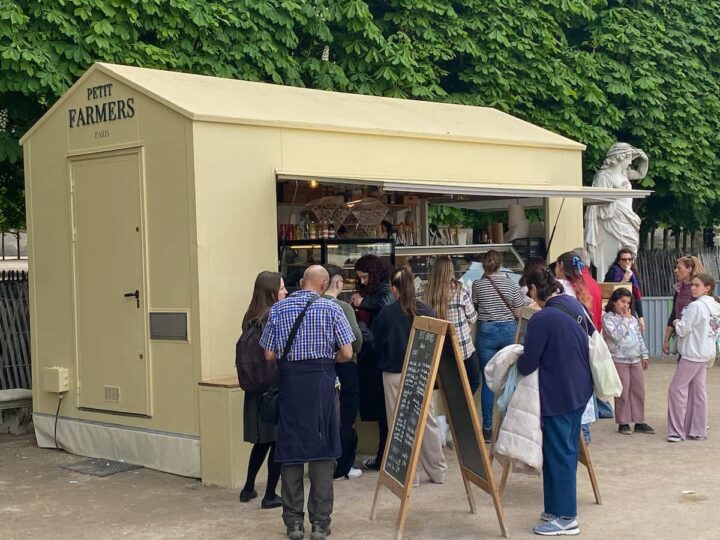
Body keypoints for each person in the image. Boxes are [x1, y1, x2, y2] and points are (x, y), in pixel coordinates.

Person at [260, 265, 355, 540]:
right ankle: (320, 523)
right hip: (322, 385)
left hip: (291, 387)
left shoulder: (278, 310)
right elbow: (347, 352)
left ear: (302, 282)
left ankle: (293, 523)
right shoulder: (333, 309)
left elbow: (268, 354)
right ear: (324, 285)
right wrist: (329, 359)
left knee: (290, 451)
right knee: (323, 452)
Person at [517, 268, 594, 536]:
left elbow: (527, 364)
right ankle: (555, 508)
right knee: (564, 452)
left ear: (535, 289)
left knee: (559, 454)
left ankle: (566, 517)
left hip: (558, 393)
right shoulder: (572, 303)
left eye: (528, 289)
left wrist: (515, 356)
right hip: (579, 389)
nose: (528, 295)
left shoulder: (542, 319)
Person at [373, 267, 447, 484]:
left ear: (394, 289)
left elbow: (377, 342)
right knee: (428, 421)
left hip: (394, 373)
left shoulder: (386, 313)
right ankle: (437, 470)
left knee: (398, 423)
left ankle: (407, 473)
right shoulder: (426, 311)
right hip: (422, 372)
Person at [238, 271, 287, 508]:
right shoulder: (273, 316)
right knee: (276, 440)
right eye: (282, 288)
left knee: (262, 441)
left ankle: (248, 487)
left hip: (254, 389)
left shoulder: (250, 316)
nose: (285, 292)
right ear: (271, 292)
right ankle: (270, 493)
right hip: (272, 388)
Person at [472, 250, 524, 442]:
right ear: (500, 265)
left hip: (486, 332)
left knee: (487, 379)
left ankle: (487, 428)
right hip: (508, 331)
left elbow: (475, 307)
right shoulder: (510, 284)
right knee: (510, 378)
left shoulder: (478, 285)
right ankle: (509, 426)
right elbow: (519, 310)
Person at [350, 254, 395, 471]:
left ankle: (383, 455)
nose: (363, 281)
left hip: (377, 356)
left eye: (365, 277)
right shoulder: (378, 290)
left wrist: (362, 302)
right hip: (373, 355)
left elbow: (385, 305)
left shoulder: (384, 291)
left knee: (382, 410)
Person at [667, 273, 720, 443]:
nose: (693, 288)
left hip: (692, 353)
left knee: (676, 390)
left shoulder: (695, 306)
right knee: (699, 392)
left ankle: (676, 431)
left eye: (697, 285)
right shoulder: (715, 306)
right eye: (693, 285)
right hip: (706, 351)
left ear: (707, 288)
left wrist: (676, 322)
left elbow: (683, 329)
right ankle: (697, 430)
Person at [323, 264, 364, 480]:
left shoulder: (313, 306)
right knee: (345, 416)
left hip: (320, 369)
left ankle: (325, 464)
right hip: (344, 367)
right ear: (338, 282)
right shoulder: (343, 308)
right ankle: (344, 466)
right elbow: (355, 342)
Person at [584, 142, 649, 274]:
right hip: (612, 219)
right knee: (613, 255)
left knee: (628, 253)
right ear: (620, 157)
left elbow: (641, 174)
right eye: (629, 158)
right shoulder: (604, 176)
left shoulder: (625, 174)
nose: (630, 162)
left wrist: (645, 160)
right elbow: (599, 202)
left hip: (627, 218)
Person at [554, 251, 598, 442]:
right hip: (583, 346)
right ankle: (585, 437)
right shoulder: (585, 287)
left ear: (561, 266)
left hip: (563, 348)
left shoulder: (558, 289)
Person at [423, 256, 480, 393]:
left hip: (434, 348)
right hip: (461, 347)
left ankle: (447, 409)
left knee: (443, 385)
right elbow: (473, 317)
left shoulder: (422, 292)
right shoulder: (460, 292)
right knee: (473, 381)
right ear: (451, 271)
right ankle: (459, 410)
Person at [602, 288, 654, 435]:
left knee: (638, 390)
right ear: (614, 302)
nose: (625, 305)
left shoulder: (632, 318)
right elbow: (615, 336)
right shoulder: (608, 318)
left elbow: (638, 336)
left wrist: (644, 354)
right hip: (619, 359)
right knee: (623, 391)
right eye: (622, 302)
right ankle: (623, 421)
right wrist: (624, 320)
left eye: (628, 303)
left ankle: (639, 420)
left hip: (635, 358)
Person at [663, 256, 706, 355]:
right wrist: (666, 340)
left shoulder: (698, 291)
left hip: (696, 341)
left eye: (679, 268)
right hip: (682, 338)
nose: (675, 270)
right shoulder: (679, 289)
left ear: (689, 269)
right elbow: (674, 314)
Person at [604, 248, 645, 332]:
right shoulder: (614, 272)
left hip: (629, 310)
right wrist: (623, 280)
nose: (627, 262)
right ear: (619, 261)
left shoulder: (633, 274)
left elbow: (636, 295)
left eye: (629, 259)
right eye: (624, 259)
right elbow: (610, 291)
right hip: (616, 313)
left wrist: (640, 316)